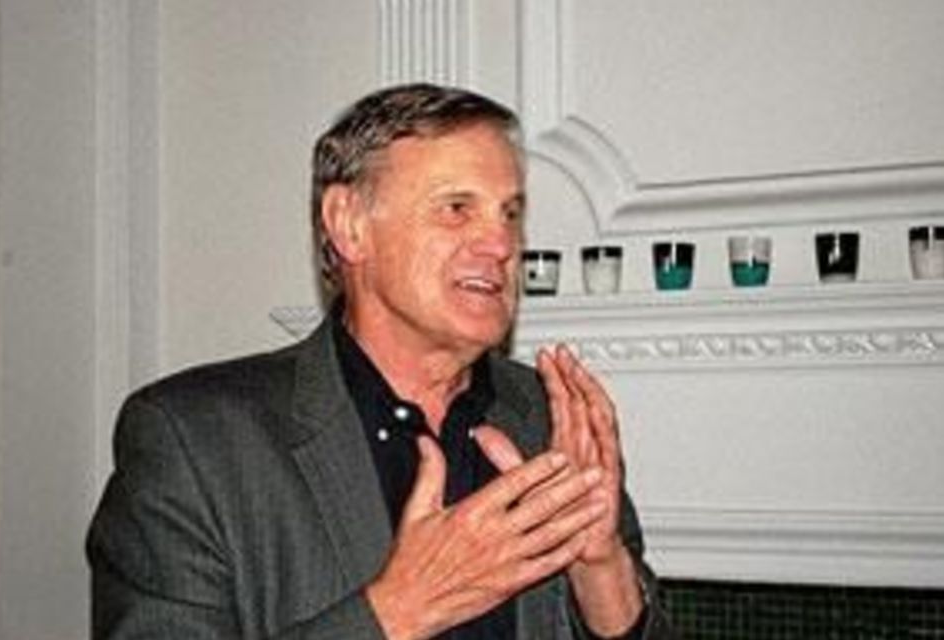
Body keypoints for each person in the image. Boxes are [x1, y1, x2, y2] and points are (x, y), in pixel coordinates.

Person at [87, 83, 676, 639]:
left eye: (510, 213)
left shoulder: (554, 417)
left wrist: (601, 569)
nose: (501, 245)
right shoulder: (193, 440)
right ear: (348, 225)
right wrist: (399, 611)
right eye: (456, 208)